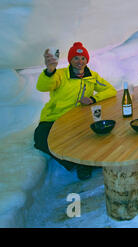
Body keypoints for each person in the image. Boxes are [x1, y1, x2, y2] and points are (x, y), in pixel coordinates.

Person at [34, 42, 117, 180]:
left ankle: (87, 162)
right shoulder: (59, 75)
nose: (80, 61)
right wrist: (50, 71)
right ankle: (78, 163)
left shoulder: (92, 76)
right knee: (41, 138)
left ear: (87, 60)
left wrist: (93, 99)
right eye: (76, 58)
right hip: (54, 118)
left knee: (92, 137)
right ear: (70, 60)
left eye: (83, 58)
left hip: (79, 118)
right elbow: (42, 86)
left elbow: (111, 90)